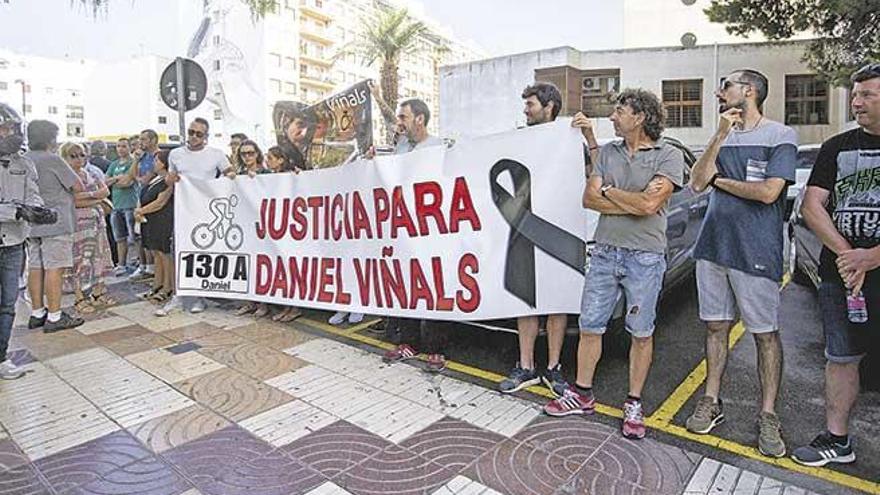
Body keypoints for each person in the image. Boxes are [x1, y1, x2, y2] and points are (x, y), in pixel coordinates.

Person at [543, 89, 683, 440]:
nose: (612, 116)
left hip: (646, 256)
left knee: (641, 331)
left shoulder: (668, 155)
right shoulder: (607, 152)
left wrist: (610, 192)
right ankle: (582, 392)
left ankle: (634, 402)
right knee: (591, 325)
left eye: (620, 110)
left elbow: (649, 206)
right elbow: (588, 198)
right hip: (606, 251)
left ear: (640, 117)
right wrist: (623, 197)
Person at [686, 69, 796, 458]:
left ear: (749, 92)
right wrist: (718, 136)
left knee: (764, 334)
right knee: (715, 328)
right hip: (713, 248)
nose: (719, 91)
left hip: (756, 251)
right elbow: (697, 182)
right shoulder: (722, 134)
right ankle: (711, 400)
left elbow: (768, 193)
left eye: (727, 85)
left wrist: (720, 182)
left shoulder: (780, 135)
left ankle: (767, 414)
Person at [791, 63, 880, 467]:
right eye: (855, 94)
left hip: (866, 266)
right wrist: (849, 256)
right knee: (841, 357)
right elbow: (812, 206)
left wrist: (873, 256)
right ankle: (838, 441)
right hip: (841, 277)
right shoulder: (837, 146)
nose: (855, 102)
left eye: (866, 95)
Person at [499, 82, 600, 397]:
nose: (526, 110)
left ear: (549, 106)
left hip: (561, 229)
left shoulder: (571, 140)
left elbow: (597, 175)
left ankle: (553, 368)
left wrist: (589, 137)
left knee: (557, 301)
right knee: (525, 298)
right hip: (523, 229)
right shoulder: (518, 139)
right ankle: (526, 365)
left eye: (530, 104)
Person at [379, 98, 449, 372]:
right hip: (404, 230)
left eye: (403, 117)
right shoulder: (401, 148)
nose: (399, 123)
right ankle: (408, 341)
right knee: (405, 285)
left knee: (433, 288)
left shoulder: (440, 146)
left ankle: (436, 348)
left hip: (431, 230)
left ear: (420, 119)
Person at [160, 117, 230, 315]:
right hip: (182, 210)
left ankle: (199, 296)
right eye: (191, 132)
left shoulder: (216, 154)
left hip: (207, 210)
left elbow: (229, 172)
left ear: (206, 137)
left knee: (202, 253)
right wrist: (170, 179)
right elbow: (168, 179)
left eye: (199, 134)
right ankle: (177, 296)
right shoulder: (175, 154)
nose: (194, 137)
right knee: (178, 251)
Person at [25, 121, 85, 332]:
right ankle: (55, 316)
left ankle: (37, 312)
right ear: (51, 138)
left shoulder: (23, 159)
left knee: (35, 266)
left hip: (31, 221)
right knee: (54, 268)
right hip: (56, 221)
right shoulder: (53, 159)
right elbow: (77, 186)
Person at [0, 105, 43, 379]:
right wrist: (15, 212)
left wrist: (39, 210)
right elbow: (15, 207)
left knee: (7, 303)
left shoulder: (23, 163)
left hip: (14, 242)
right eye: (5, 128)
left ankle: (1, 357)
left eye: (13, 128)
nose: (10, 133)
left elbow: (33, 195)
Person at [61, 142, 116, 314]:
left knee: (99, 256)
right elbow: (72, 200)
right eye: (73, 155)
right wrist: (95, 197)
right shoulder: (64, 176)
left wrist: (90, 198)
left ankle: (98, 293)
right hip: (77, 226)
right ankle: (79, 297)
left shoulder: (90, 173)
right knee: (78, 260)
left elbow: (105, 191)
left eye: (82, 155)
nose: (79, 159)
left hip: (97, 223)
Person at [228, 140, 272, 318]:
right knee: (245, 265)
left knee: (261, 265)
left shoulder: (266, 173)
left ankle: (263, 303)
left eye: (250, 153)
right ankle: (249, 302)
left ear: (257, 154)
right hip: (242, 226)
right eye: (244, 154)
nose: (247, 157)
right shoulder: (238, 175)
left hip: (261, 226)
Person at [135, 150, 175, 306]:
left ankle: (168, 287)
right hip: (150, 220)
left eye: (157, 160)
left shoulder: (168, 180)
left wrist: (141, 211)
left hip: (162, 220)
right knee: (156, 253)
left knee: (165, 254)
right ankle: (157, 285)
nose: (154, 163)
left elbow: (160, 202)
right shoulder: (154, 179)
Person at [127, 129, 159, 281]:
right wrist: (135, 160)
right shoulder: (142, 156)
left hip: (154, 198)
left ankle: (154, 268)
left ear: (153, 140)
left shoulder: (158, 156)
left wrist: (142, 179)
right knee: (141, 234)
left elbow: (147, 178)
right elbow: (132, 175)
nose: (141, 142)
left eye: (144, 139)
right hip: (141, 197)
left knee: (153, 235)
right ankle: (145, 266)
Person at [105, 137, 139, 275]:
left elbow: (128, 182)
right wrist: (117, 179)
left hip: (130, 204)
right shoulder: (114, 164)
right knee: (119, 237)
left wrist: (116, 180)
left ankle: (138, 263)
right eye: (118, 146)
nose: (120, 149)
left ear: (130, 147)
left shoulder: (133, 162)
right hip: (116, 205)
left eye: (124, 146)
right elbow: (105, 181)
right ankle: (121, 264)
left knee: (134, 237)